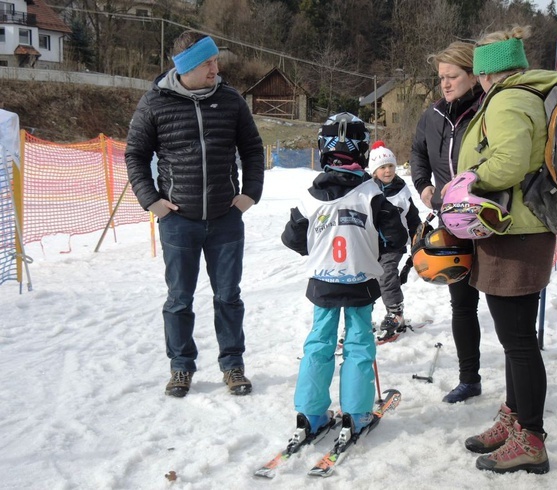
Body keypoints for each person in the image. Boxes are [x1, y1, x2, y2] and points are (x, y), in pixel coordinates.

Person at [454, 25, 557, 475]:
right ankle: (514, 417)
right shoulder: (527, 94)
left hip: (515, 234)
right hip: (520, 230)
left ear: (487, 73)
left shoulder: (507, 100)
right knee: (513, 340)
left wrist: (467, 183)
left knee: (519, 342)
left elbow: (508, 162)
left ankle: (531, 439)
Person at [125, 31, 264, 398]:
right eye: (208, 63)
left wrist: (250, 193)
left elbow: (252, 148)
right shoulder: (155, 103)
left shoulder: (231, 100)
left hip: (225, 217)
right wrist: (152, 201)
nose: (216, 68)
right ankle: (181, 368)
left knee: (228, 297)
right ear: (186, 67)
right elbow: (135, 155)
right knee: (179, 299)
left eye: (215, 61)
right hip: (179, 220)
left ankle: (233, 365)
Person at [281, 113, 407, 437]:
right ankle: (356, 413)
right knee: (358, 344)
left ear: (323, 149)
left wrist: (317, 246)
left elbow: (292, 237)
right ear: (362, 151)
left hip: (323, 282)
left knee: (319, 343)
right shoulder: (372, 193)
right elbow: (396, 236)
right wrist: (373, 246)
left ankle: (310, 414)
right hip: (360, 282)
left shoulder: (309, 195)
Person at [410, 41, 486, 403]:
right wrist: (424, 186)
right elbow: (418, 152)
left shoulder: (488, 109)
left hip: (491, 221)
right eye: (441, 77)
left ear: (473, 75)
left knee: (503, 304)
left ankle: (520, 386)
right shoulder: (433, 114)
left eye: (452, 75)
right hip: (452, 225)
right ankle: (469, 378)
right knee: (463, 304)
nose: (445, 83)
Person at [368, 140, 421, 340]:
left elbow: (412, 216)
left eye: (390, 166)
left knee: (387, 275)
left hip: (394, 244)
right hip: (371, 244)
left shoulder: (401, 189)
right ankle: (362, 317)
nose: (388, 170)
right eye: (382, 167)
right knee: (367, 279)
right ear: (374, 171)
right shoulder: (367, 190)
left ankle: (395, 313)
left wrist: (418, 235)